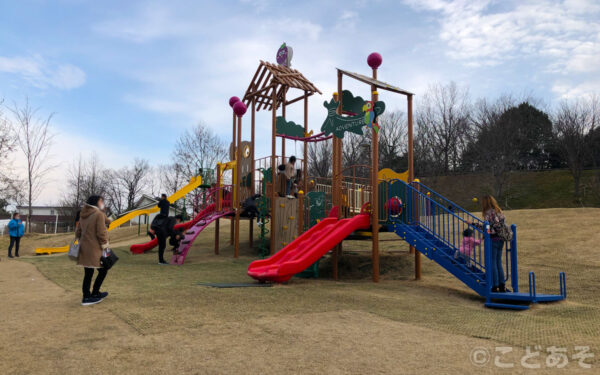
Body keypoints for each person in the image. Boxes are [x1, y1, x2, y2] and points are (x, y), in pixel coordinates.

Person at [467, 195, 509, 293]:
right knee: (498, 262)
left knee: (492, 262)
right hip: (501, 238)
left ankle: (494, 286)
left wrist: (472, 224)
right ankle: (502, 285)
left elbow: (486, 227)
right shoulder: (499, 211)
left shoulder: (488, 213)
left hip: (493, 239)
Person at [76, 195, 110, 306]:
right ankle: (90, 295)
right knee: (104, 268)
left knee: (88, 272)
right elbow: (101, 233)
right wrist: (106, 246)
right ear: (96, 202)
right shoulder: (98, 214)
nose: (102, 202)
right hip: (95, 248)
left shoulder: (83, 214)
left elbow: (78, 232)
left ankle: (89, 294)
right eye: (101, 201)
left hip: (84, 248)